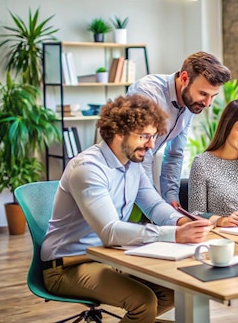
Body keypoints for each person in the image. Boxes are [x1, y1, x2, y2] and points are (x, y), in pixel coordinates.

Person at [41, 95, 211, 323]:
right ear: (119, 133)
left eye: (153, 136)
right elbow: (110, 232)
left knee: (173, 291)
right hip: (68, 266)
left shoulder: (133, 164)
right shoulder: (88, 169)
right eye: (144, 137)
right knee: (143, 302)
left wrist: (181, 223)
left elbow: (153, 204)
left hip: (112, 258)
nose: (151, 145)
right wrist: (175, 235)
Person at [128, 51, 231, 208]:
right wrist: (155, 204)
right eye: (203, 93)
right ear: (184, 78)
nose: (207, 103)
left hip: (138, 178)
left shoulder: (190, 103)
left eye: (213, 96)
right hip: (119, 178)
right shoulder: (148, 92)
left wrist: (171, 198)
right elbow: (142, 154)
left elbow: (175, 154)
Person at [188, 99, 238, 227]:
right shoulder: (202, 163)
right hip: (223, 237)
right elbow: (194, 214)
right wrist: (220, 220)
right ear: (227, 128)